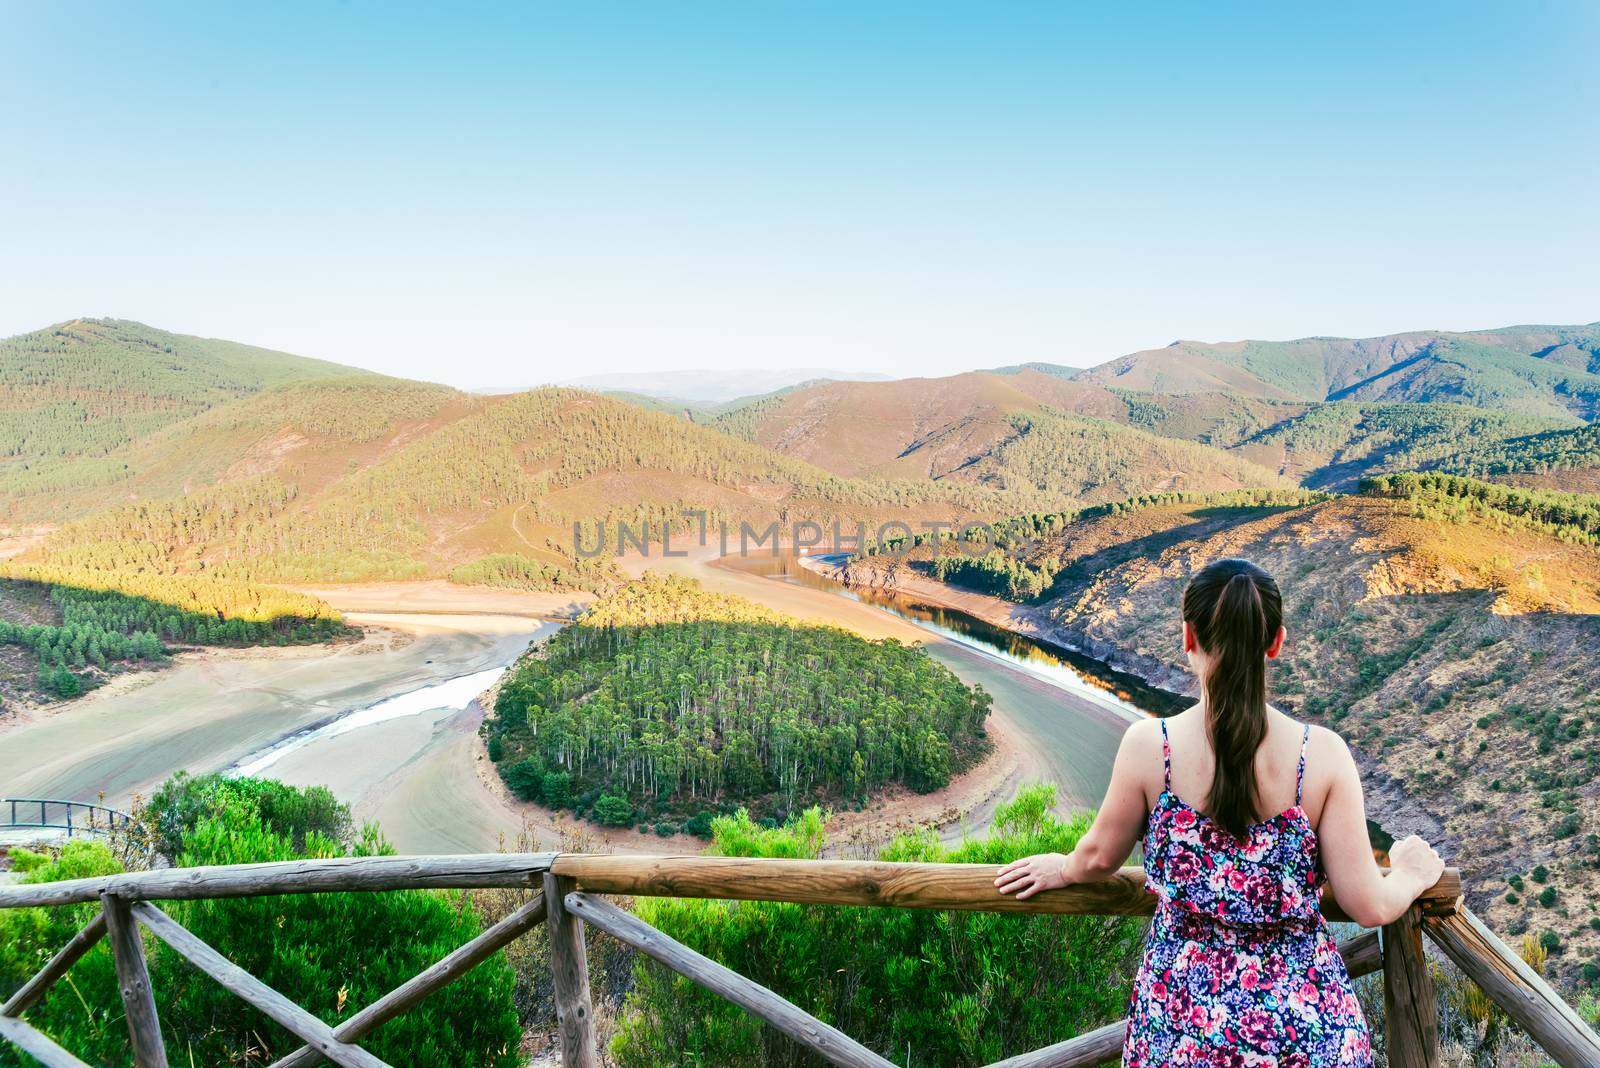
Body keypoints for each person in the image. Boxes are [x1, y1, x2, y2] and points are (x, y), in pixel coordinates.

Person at [994, 557, 1444, 1067]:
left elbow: (1098, 857)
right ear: (1276, 642)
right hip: (1307, 1034)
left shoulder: (1151, 747)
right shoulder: (1321, 756)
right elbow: (1369, 904)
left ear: (1188, 637)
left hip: (1180, 1030)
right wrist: (1409, 873)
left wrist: (1064, 867)